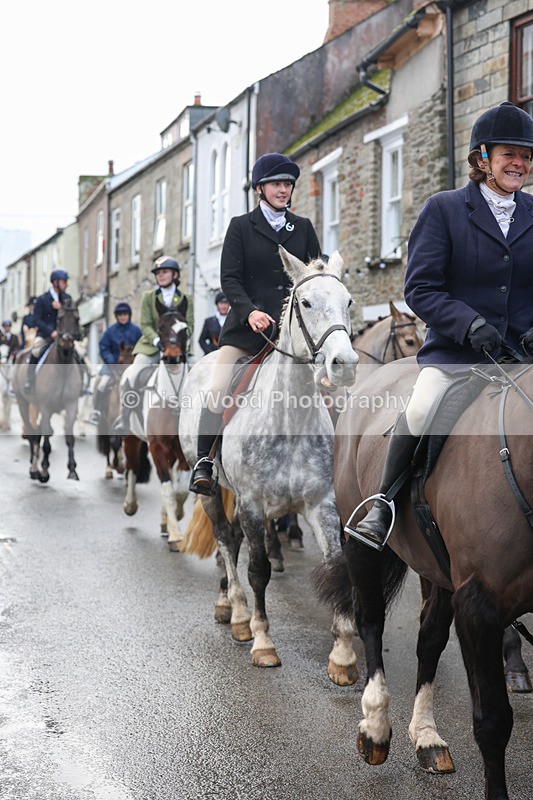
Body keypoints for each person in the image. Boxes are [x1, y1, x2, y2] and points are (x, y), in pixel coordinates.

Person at [348, 100, 533, 550]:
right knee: (419, 408)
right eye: (509, 154)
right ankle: (383, 504)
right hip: (457, 354)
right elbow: (421, 288)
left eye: (526, 156)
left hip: (523, 355)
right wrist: (468, 325)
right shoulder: (444, 209)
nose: (520, 163)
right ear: (482, 159)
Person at [190, 152, 322, 496]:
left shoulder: (303, 228)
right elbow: (229, 279)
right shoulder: (240, 226)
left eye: (288, 184)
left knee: (328, 389)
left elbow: (314, 275)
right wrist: (249, 312)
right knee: (218, 387)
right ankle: (205, 461)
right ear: (260, 189)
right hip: (245, 331)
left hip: (293, 334)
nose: (283, 190)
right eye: (276, 184)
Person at [112, 256, 193, 433]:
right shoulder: (148, 297)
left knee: (196, 375)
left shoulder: (186, 298)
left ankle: (196, 420)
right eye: (158, 273)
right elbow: (145, 324)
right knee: (132, 374)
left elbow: (190, 326)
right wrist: (157, 341)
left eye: (164, 272)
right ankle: (124, 419)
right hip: (151, 347)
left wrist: (179, 343)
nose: (160, 275)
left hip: (178, 348)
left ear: (175, 274)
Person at [87, 302, 142, 425]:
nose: (123, 317)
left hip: (131, 366)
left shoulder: (136, 331)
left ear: (129, 315)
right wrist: (111, 360)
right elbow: (103, 347)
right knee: (101, 384)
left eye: (125, 314)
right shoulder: (110, 331)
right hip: (112, 366)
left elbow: (141, 346)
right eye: (120, 315)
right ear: (116, 316)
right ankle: (97, 411)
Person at [23, 270, 73, 393]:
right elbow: (37, 320)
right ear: (55, 283)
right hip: (46, 336)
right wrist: (51, 332)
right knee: (35, 352)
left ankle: (83, 382)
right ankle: (30, 381)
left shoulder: (68, 298)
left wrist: (62, 308)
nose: (66, 284)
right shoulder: (42, 299)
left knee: (80, 353)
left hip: (64, 336)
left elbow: (72, 316)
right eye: (64, 282)